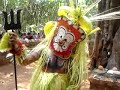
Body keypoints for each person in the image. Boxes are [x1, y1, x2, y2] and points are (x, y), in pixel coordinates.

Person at [0, 6, 98, 90]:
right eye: (61, 34)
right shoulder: (44, 50)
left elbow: (76, 81)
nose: (61, 40)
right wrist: (17, 47)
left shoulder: (73, 60)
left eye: (68, 38)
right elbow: (25, 60)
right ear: (55, 32)